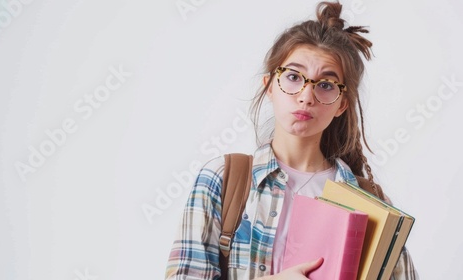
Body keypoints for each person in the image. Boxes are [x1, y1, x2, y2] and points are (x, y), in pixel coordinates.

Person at [165, 1, 418, 279]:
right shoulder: (223, 179)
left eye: (325, 85)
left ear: (342, 104)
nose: (306, 97)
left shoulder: (370, 203)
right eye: (294, 77)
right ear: (270, 86)